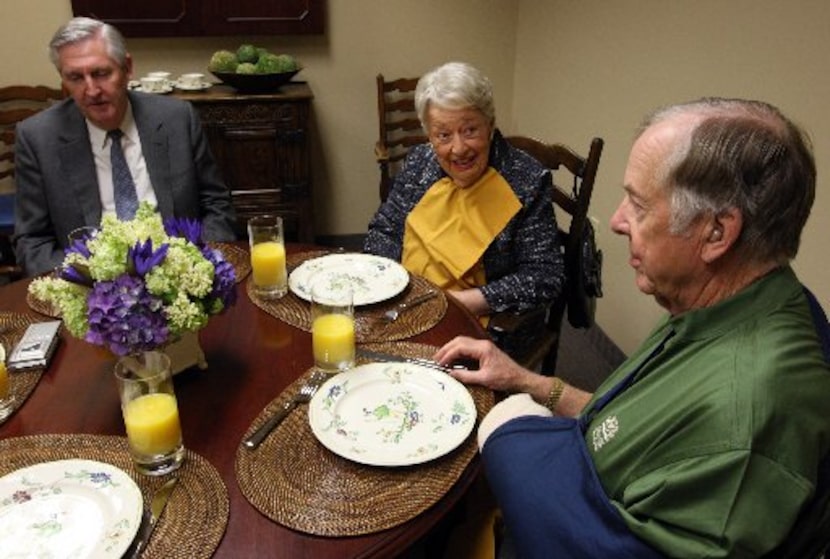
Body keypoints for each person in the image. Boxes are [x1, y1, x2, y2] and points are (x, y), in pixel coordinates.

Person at [434, 97, 830, 557]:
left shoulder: (750, 412)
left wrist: (509, 431)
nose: (618, 221)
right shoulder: (728, 305)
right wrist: (525, 381)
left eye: (639, 206)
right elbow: (625, 423)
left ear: (717, 233)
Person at [14, 17, 237, 277]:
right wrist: (82, 282)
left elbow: (217, 205)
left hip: (178, 276)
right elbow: (32, 242)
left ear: (127, 67)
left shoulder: (177, 119)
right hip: (92, 288)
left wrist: (196, 266)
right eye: (75, 77)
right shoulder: (38, 137)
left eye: (101, 73)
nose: (92, 90)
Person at [364, 62, 563, 351]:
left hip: (486, 322)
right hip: (408, 303)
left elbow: (544, 276)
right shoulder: (420, 162)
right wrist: (393, 286)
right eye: (443, 135)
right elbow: (384, 230)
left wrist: (461, 302)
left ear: (491, 125)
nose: (458, 149)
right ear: (429, 135)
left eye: (469, 130)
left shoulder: (526, 180)